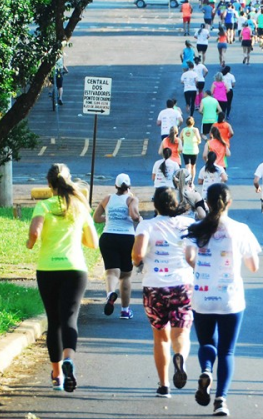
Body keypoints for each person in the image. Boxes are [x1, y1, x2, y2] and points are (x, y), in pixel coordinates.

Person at [184, 183, 261, 417]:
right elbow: (254, 267)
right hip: (231, 297)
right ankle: (220, 400)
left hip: (203, 295)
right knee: (227, 351)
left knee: (207, 343)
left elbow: (189, 257)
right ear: (229, 203)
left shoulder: (196, 228)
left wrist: (203, 268)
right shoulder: (240, 229)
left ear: (206, 203)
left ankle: (206, 369)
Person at [27, 164, 98, 392]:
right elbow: (93, 243)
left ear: (49, 185)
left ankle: (57, 375)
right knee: (69, 318)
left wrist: (30, 243)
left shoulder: (43, 206)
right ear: (69, 181)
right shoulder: (79, 206)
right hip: (75, 269)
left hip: (47, 269)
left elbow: (35, 232)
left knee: (53, 321)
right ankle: (68, 359)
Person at [132, 187, 195, 398]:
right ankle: (180, 358)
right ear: (175, 204)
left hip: (154, 286)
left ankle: (164, 385)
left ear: (155, 204)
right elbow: (193, 254)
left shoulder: (147, 225)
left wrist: (136, 261)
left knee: (160, 336)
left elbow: (138, 254)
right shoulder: (188, 224)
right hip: (182, 285)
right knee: (181, 333)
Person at [93, 173, 141, 320]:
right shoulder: (132, 199)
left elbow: (96, 218)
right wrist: (139, 219)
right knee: (125, 275)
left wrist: (108, 218)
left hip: (108, 237)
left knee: (111, 272)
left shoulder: (107, 198)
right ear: (129, 186)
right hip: (126, 238)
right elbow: (134, 215)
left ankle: (110, 294)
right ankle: (125, 311)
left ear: (116, 186)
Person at [179, 117, 202, 183]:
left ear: (186, 123)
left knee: (187, 166)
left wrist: (184, 141)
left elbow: (179, 138)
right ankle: (192, 180)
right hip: (194, 150)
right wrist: (197, 142)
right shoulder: (195, 130)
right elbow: (199, 139)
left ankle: (187, 179)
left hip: (185, 150)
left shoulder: (183, 130)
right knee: (193, 166)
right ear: (193, 123)